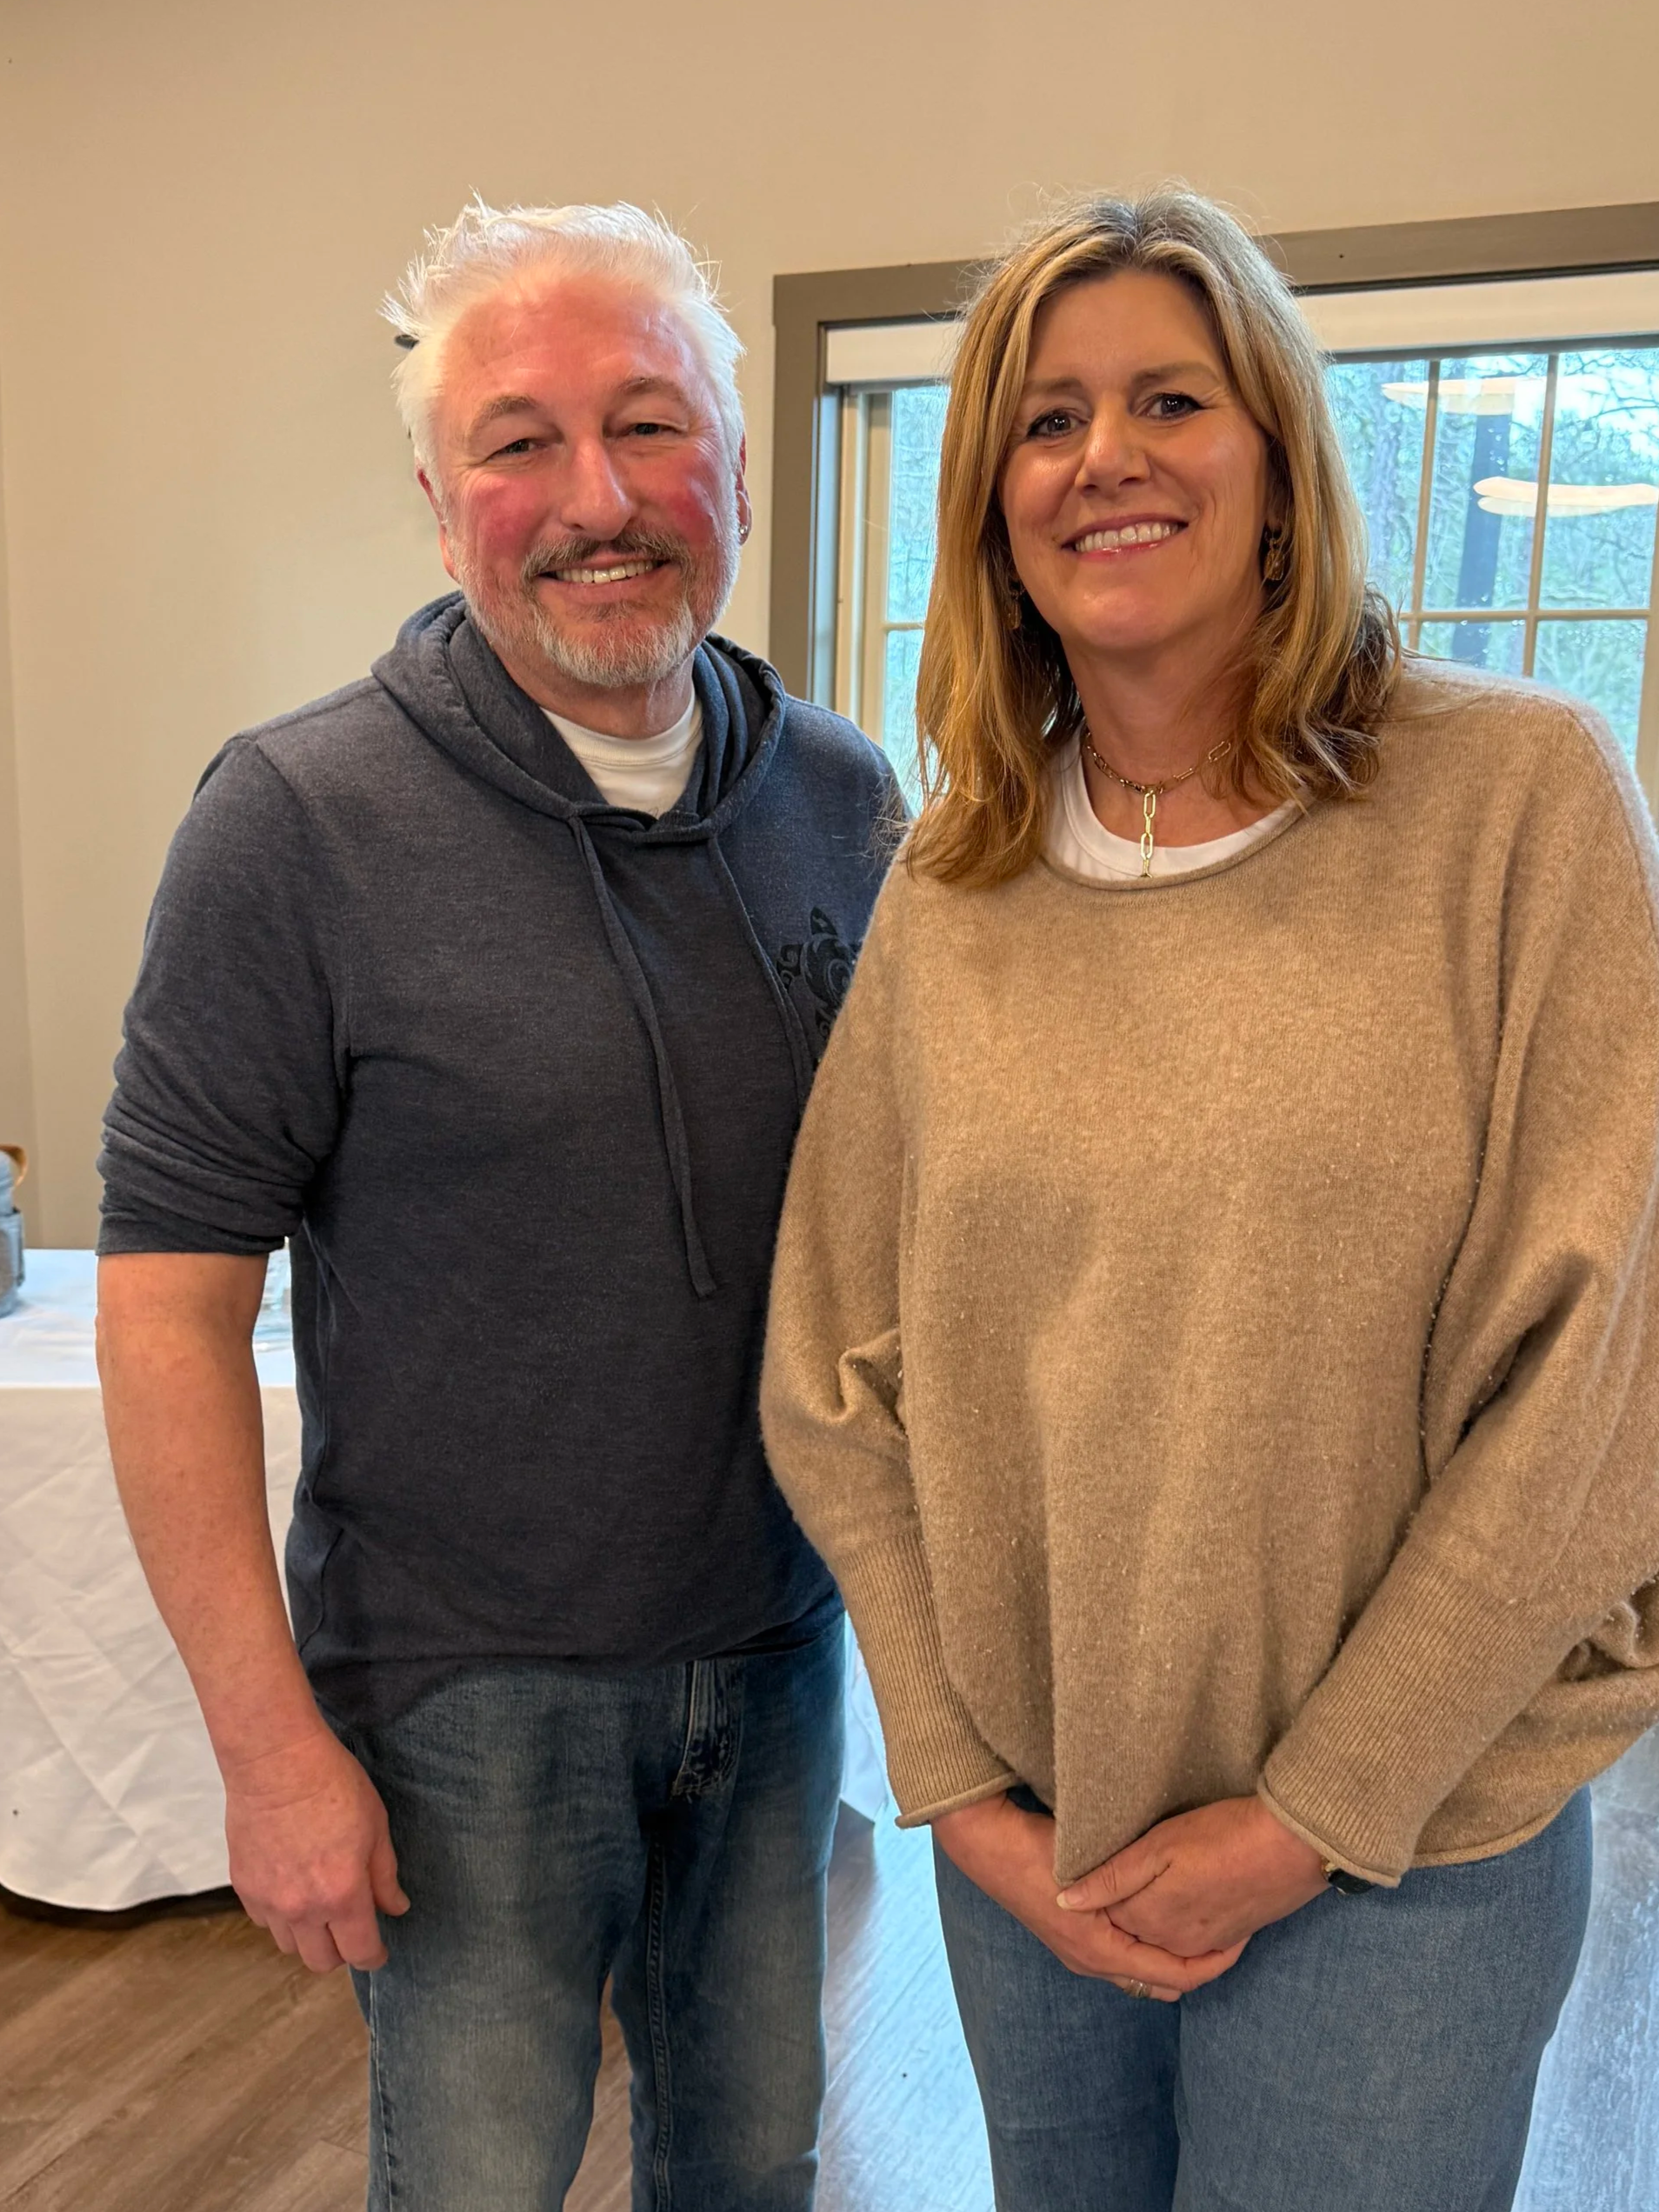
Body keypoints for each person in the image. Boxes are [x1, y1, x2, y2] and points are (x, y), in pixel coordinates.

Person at [761, 189, 1659, 2212]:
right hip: (1037, 1846)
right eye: (1048, 418)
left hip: (1410, 1845)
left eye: (1173, 397)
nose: (1109, 459)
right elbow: (831, 1370)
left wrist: (1316, 1809)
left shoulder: (1518, 804)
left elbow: (1600, 1392)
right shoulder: (957, 883)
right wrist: (954, 1781)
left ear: (1277, 462)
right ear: (997, 503)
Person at [97, 199, 899, 2212]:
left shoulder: (842, 798)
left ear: (736, 463)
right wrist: (269, 1753)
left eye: (649, 427)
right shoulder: (294, 825)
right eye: (522, 442)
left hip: (783, 1661)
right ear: (441, 499)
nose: (597, 497)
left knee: (756, 2170)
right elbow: (167, 1310)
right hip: (463, 1704)